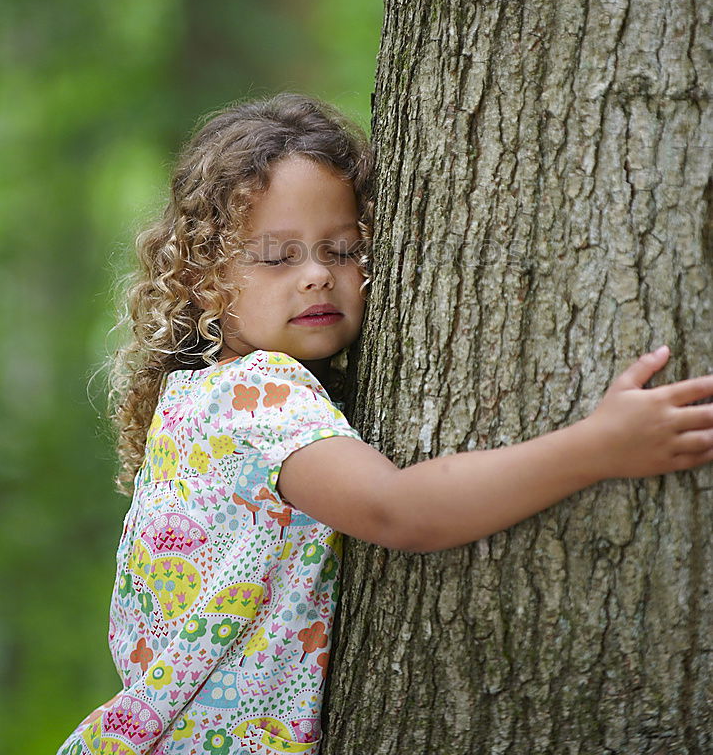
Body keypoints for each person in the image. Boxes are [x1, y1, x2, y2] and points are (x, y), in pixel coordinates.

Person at [57, 92, 713, 755]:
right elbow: (400, 511)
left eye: (342, 252)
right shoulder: (258, 392)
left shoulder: (189, 400)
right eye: (279, 257)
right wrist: (596, 447)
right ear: (202, 279)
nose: (316, 275)